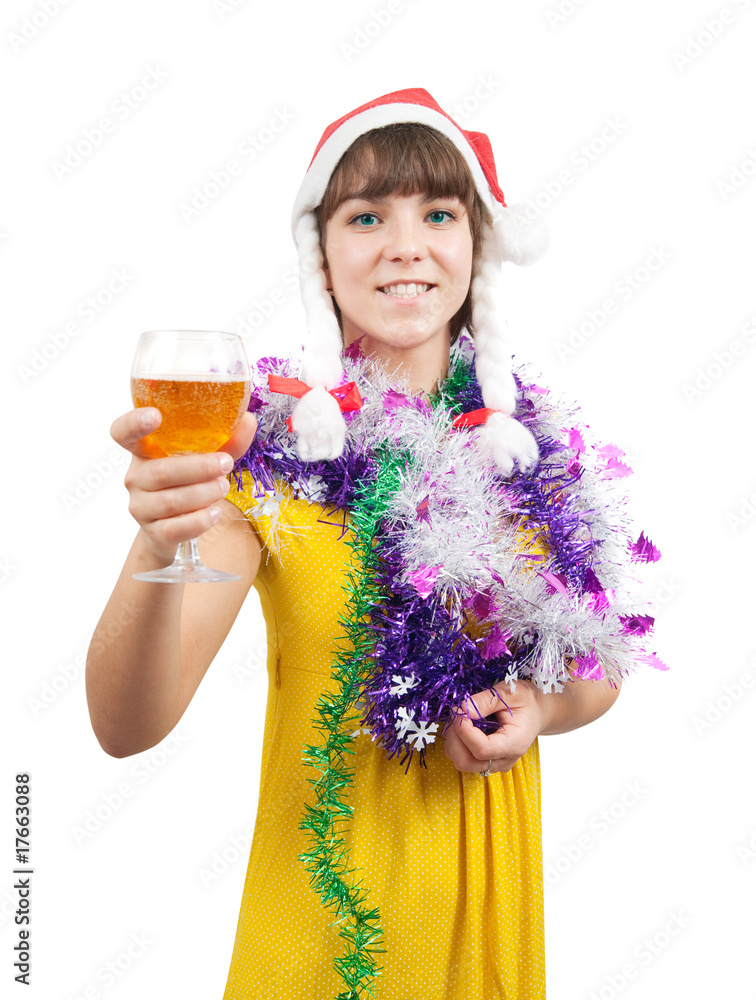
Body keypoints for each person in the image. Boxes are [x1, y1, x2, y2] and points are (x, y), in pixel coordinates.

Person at [87, 89, 660, 1000]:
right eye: (366, 216)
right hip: (326, 952)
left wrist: (539, 711)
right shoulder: (268, 456)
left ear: (476, 244)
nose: (405, 245)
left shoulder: (529, 456)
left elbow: (598, 668)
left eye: (438, 214)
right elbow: (126, 725)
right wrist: (161, 541)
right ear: (320, 253)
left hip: (486, 953)